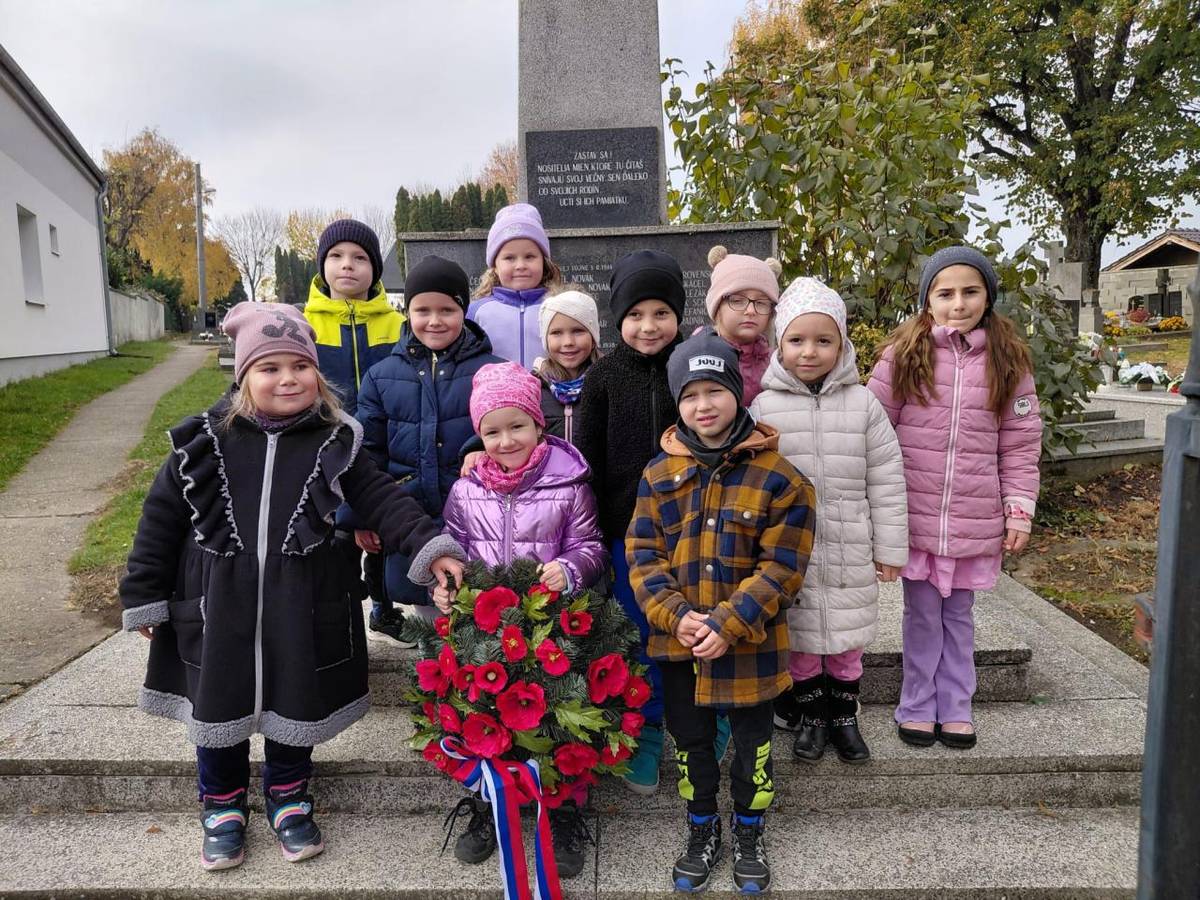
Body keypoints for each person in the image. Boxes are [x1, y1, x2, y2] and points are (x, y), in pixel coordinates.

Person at [118, 301, 465, 871]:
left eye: (299, 367)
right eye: (269, 367)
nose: (287, 378)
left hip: (300, 602)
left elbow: (381, 499)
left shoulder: (336, 441)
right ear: (243, 377)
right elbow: (159, 519)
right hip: (217, 605)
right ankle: (222, 804)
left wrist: (430, 548)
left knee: (294, 701)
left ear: (317, 375)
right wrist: (143, 595)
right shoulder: (203, 442)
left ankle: (288, 795)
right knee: (218, 705)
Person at [627, 332, 816, 894]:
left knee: (753, 746)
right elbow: (643, 555)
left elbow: (783, 567)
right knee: (691, 742)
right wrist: (674, 615)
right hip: (678, 643)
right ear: (677, 404)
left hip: (751, 645)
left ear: (738, 392)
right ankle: (702, 826)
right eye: (690, 395)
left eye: (715, 390)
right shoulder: (658, 475)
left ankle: (751, 829)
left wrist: (728, 622)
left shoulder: (781, 478)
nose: (703, 405)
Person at [433, 361, 608, 878]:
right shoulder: (466, 491)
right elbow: (453, 551)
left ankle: (563, 808)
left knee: (558, 722)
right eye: (492, 430)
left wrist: (571, 568)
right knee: (486, 719)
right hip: (487, 632)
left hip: (552, 630)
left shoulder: (570, 485)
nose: (506, 440)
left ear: (539, 425)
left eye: (517, 427)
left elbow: (590, 545)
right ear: (478, 434)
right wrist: (444, 590)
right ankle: (488, 804)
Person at [867, 246, 1042, 749]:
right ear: (927, 300)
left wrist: (1018, 510)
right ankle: (918, 704)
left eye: (970, 291)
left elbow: (1021, 442)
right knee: (921, 614)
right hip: (917, 517)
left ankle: (957, 704)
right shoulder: (903, 354)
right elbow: (875, 431)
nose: (958, 302)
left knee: (959, 616)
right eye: (945, 293)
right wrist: (878, 514)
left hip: (972, 516)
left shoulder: (1008, 361)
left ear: (988, 297)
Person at [750, 277, 908, 764]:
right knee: (800, 643)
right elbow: (751, 483)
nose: (810, 352)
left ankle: (844, 717)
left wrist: (890, 549)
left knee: (846, 644)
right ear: (780, 344)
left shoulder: (863, 405)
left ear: (842, 343)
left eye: (824, 340)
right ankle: (811, 718)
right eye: (797, 340)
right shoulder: (763, 406)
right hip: (791, 551)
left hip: (848, 545)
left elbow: (886, 478)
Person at [574, 249, 688, 794]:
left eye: (661, 313)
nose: (648, 326)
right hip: (625, 534)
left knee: (686, 630)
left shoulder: (690, 367)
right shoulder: (604, 378)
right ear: (618, 318)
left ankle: (699, 730)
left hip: (692, 533)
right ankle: (644, 731)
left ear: (678, 315)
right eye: (636, 315)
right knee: (639, 635)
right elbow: (586, 460)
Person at [353, 256, 501, 631]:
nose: (434, 321)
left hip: (476, 518)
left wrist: (479, 447)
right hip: (410, 516)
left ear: (463, 311)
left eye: (446, 310)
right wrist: (361, 516)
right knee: (428, 619)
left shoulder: (491, 370)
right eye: (423, 310)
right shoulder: (381, 376)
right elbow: (366, 454)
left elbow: (504, 426)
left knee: (480, 615)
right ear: (408, 311)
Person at [303, 219, 406, 643]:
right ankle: (341, 626)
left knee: (382, 532)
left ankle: (383, 608)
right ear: (323, 265)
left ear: (375, 268)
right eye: (337, 256)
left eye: (360, 258)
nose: (348, 266)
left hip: (380, 445)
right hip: (323, 449)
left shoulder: (397, 325)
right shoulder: (304, 323)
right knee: (336, 539)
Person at [467, 203, 564, 368]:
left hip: (548, 393)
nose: (520, 265)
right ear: (494, 266)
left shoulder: (559, 307)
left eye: (529, 256)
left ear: (544, 262)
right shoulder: (476, 312)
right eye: (509, 258)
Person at [698, 245, 782, 404]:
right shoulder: (697, 356)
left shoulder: (775, 363)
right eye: (737, 301)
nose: (751, 310)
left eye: (761, 303)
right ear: (717, 308)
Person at [531, 289, 602, 445]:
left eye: (578, 331)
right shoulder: (532, 386)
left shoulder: (608, 381)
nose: (568, 342)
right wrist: (476, 448)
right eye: (557, 333)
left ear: (593, 336)